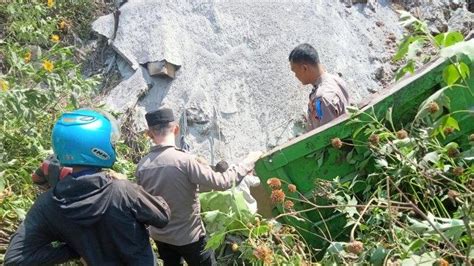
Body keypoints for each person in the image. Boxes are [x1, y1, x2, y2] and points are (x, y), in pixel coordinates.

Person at [4, 109, 170, 266]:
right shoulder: (122, 190)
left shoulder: (48, 204)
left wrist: (73, 249)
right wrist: (132, 187)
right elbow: (162, 217)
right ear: (98, 146)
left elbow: (15, 258)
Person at [136, 108, 263, 266]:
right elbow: (222, 182)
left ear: (149, 134)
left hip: (161, 237)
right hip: (190, 237)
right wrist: (247, 163)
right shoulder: (185, 161)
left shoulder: (142, 166)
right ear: (176, 129)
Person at [289, 43, 350, 131]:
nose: (295, 76)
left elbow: (327, 136)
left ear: (304, 68)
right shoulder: (336, 80)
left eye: (295, 71)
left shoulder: (321, 99)